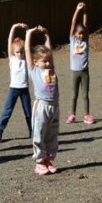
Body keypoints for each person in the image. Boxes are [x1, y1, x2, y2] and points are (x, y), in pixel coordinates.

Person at [26, 25, 60, 174]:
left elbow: (49, 51)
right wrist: (29, 34)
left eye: (48, 60)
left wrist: (46, 34)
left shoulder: (51, 68)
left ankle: (48, 159)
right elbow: (27, 51)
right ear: (35, 62)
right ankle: (39, 161)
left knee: (52, 134)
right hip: (42, 106)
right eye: (43, 61)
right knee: (39, 133)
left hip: (54, 106)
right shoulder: (34, 70)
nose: (47, 63)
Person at [0, 23, 32, 143]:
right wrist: (14, 27)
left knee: (29, 113)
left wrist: (27, 30)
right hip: (13, 89)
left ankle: (33, 131)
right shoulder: (12, 59)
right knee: (7, 112)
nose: (19, 54)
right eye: (17, 52)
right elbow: (10, 39)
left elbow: (28, 45)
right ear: (13, 52)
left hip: (24, 89)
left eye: (21, 52)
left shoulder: (26, 60)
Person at [66, 2, 94, 124]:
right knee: (74, 94)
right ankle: (72, 114)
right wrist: (77, 10)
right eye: (79, 33)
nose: (81, 35)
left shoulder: (86, 41)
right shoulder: (72, 40)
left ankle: (87, 115)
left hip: (84, 72)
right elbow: (73, 24)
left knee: (85, 95)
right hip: (74, 72)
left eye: (82, 33)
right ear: (75, 34)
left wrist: (85, 10)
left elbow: (85, 24)